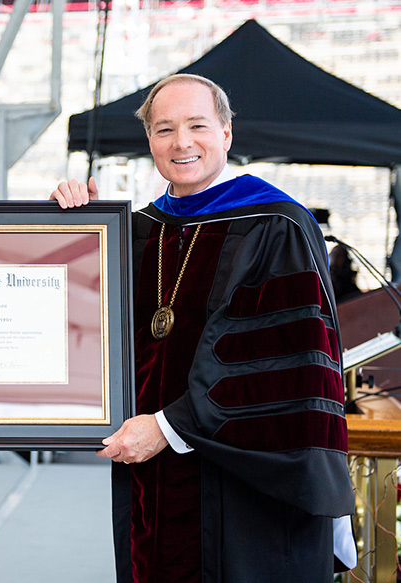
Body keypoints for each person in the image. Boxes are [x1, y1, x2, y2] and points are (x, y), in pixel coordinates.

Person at [51, 74, 356, 582]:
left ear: (227, 133)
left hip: (248, 492)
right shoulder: (135, 231)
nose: (182, 142)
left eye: (197, 125)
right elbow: (78, 328)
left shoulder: (275, 226)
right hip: (152, 481)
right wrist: (74, 228)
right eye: (165, 129)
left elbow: (284, 372)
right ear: (149, 140)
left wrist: (168, 428)